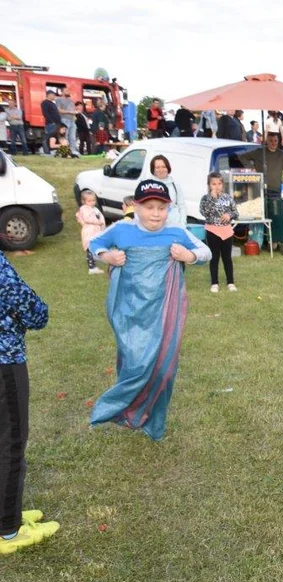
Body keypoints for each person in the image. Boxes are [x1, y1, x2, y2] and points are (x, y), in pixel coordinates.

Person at [89, 179, 209, 441]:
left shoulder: (176, 232)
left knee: (163, 368)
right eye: (149, 207)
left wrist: (189, 256)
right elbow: (94, 243)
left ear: (169, 208)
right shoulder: (121, 230)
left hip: (165, 312)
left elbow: (205, 251)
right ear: (136, 206)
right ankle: (122, 409)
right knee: (136, 364)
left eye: (161, 207)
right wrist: (107, 256)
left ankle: (151, 418)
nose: (156, 213)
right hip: (130, 311)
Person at [0, 251, 56, 555]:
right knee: (10, 444)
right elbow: (31, 308)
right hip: (4, 361)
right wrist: (39, 310)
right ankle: (7, 530)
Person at [200, 172, 239, 293]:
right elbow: (204, 212)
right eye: (213, 184)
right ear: (209, 185)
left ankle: (230, 282)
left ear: (223, 184)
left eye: (219, 183)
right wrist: (212, 199)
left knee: (227, 258)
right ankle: (214, 283)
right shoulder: (205, 198)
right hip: (212, 231)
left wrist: (229, 215)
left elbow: (236, 213)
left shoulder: (228, 198)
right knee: (214, 258)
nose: (217, 186)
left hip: (226, 232)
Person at [143, 155, 187, 227]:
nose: (161, 170)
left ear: (168, 168)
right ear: (153, 170)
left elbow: (182, 206)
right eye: (157, 167)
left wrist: (182, 224)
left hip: (174, 226)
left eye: (164, 167)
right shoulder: (147, 185)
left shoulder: (175, 185)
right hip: (155, 227)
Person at [76, 189, 107, 275]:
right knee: (90, 248)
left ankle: (97, 257)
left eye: (93, 200)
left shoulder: (94, 209)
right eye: (89, 201)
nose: (92, 202)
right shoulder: (84, 209)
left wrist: (102, 225)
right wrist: (98, 222)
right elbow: (87, 219)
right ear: (83, 201)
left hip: (96, 231)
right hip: (89, 232)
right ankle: (92, 267)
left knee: (95, 246)